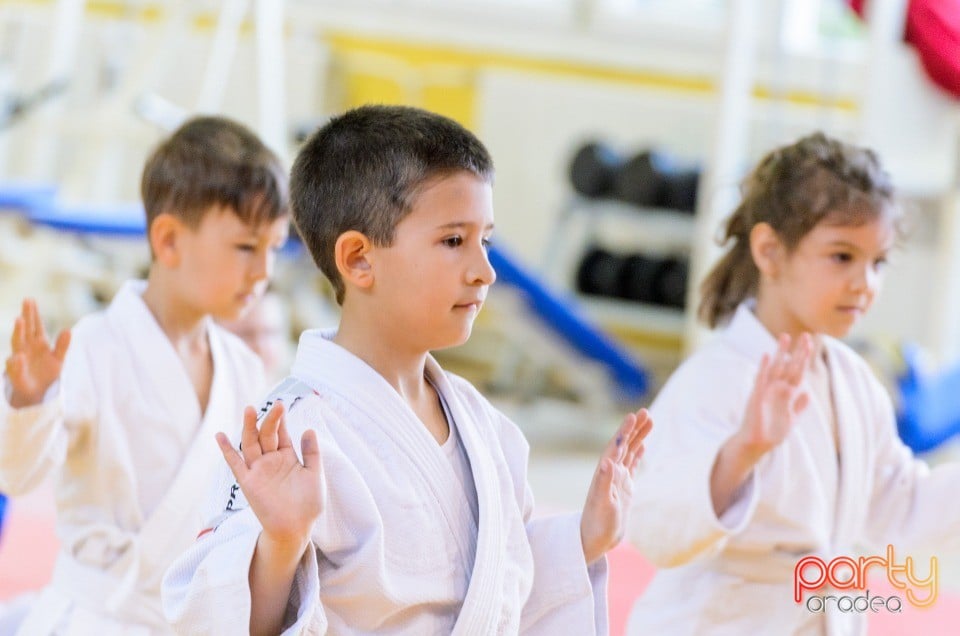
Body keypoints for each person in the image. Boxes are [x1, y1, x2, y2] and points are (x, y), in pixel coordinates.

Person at [162, 104, 652, 635]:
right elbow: (213, 622)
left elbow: (496, 584)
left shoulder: (486, 426)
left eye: (484, 240)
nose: (484, 271)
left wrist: (586, 537)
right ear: (358, 259)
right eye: (453, 241)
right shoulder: (292, 436)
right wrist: (279, 543)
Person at [624, 131, 960, 635]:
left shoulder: (853, 381)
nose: (864, 283)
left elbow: (899, 504)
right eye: (842, 256)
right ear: (770, 251)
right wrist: (743, 451)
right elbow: (654, 527)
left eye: (878, 262)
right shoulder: (714, 379)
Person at [0, 115, 289, 634]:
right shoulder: (95, 347)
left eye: (273, 248)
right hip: (93, 618)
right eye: (246, 247)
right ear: (170, 240)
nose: (263, 271)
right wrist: (29, 399)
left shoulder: (244, 370)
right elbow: (17, 476)